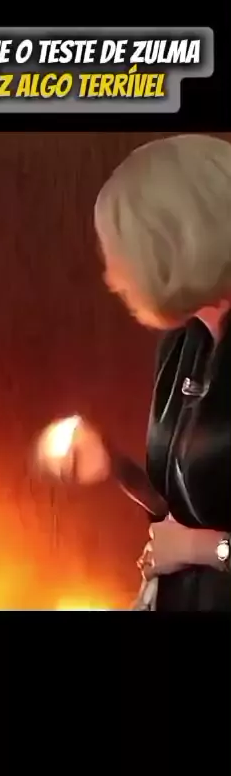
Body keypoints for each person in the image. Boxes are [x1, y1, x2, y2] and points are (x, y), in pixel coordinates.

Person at [91, 133, 231, 610]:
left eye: (124, 252)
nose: (113, 278)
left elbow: (199, 535)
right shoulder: (184, 342)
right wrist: (114, 466)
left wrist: (200, 549)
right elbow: (192, 502)